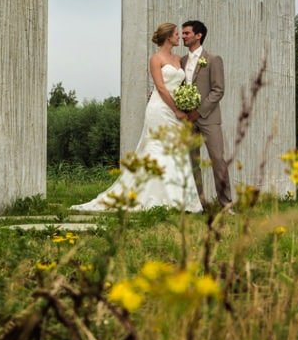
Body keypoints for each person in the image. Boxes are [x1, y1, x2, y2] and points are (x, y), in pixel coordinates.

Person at [71, 23, 203, 213]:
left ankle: (178, 199)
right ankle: (154, 197)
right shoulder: (156, 59)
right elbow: (161, 87)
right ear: (168, 37)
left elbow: (181, 86)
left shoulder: (178, 59)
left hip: (176, 109)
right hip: (160, 109)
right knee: (157, 149)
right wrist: (176, 110)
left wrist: (187, 103)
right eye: (176, 34)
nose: (179, 37)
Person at [180, 20, 233, 212]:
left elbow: (218, 90)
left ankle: (227, 205)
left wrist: (199, 112)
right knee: (192, 162)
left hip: (209, 118)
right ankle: (199, 204)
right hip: (187, 121)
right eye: (182, 33)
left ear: (198, 35)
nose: (183, 36)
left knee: (218, 159)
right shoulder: (182, 61)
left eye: (186, 33)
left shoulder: (213, 59)